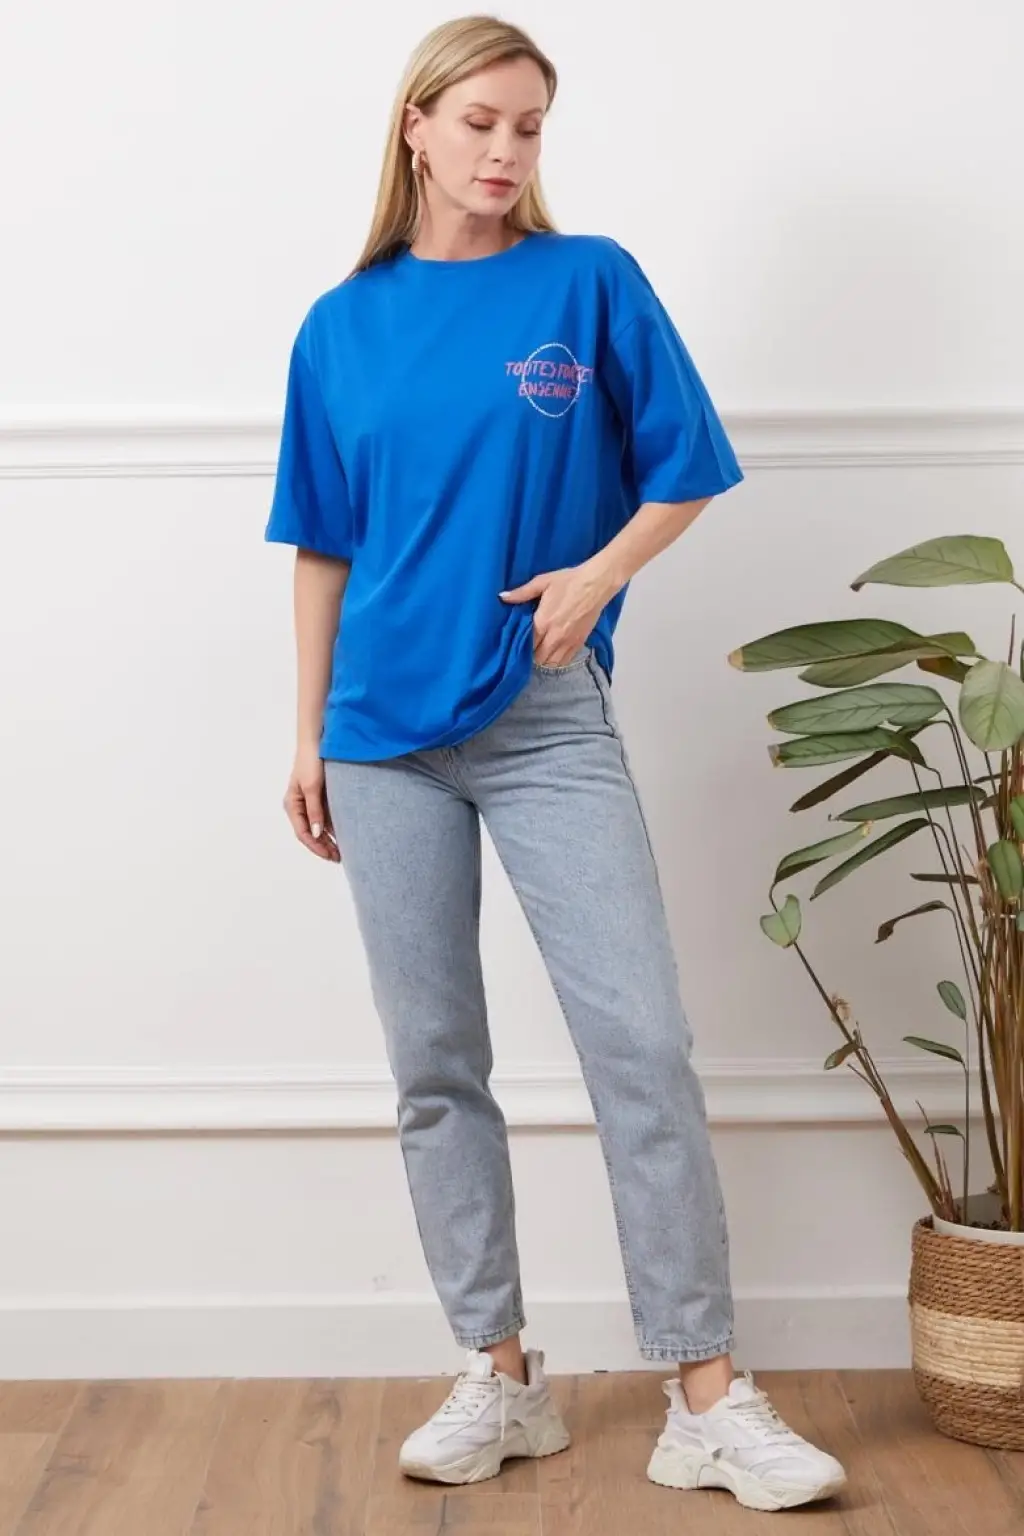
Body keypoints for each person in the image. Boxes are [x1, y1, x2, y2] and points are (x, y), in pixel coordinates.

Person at [265, 12, 847, 1513]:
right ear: (415, 127)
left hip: (541, 720)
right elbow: (322, 544)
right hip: (379, 740)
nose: (507, 151)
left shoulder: (587, 283)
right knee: (434, 1065)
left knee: (640, 1043)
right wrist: (307, 730)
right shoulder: (340, 325)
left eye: (529, 126)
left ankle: (704, 1396)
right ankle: (500, 1372)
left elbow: (688, 467)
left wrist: (595, 578)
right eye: (479, 122)